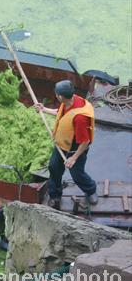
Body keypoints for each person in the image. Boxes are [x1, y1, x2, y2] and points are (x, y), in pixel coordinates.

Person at [35, 80, 97, 210]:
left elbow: (85, 142)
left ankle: (91, 190)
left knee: (77, 175)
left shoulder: (79, 118)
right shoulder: (69, 101)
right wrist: (44, 109)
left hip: (75, 149)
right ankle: (55, 195)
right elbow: (61, 112)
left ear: (60, 96)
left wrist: (73, 159)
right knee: (54, 168)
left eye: (57, 94)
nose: (56, 96)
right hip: (61, 145)